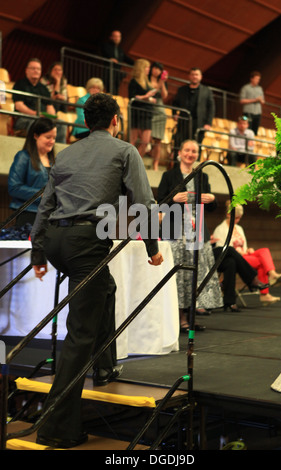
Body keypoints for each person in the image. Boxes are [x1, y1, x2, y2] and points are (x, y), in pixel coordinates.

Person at [30, 92, 163, 448]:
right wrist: (152, 248)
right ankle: (56, 428)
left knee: (105, 288)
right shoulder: (124, 150)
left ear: (85, 122)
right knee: (79, 336)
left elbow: (45, 205)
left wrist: (38, 255)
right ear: (115, 121)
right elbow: (143, 202)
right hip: (86, 243)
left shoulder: (66, 152)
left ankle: (105, 368)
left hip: (57, 241)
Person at [157, 139, 223, 332]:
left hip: (197, 232)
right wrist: (173, 198)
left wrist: (212, 199)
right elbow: (160, 203)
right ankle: (179, 319)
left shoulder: (202, 177)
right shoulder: (169, 175)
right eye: (187, 150)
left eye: (194, 151)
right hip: (176, 233)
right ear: (180, 152)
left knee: (195, 276)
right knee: (180, 276)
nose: (190, 154)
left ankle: (190, 317)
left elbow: (210, 207)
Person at [213, 201, 281, 306]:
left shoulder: (239, 228)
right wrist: (240, 252)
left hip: (245, 255)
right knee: (262, 262)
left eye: (239, 218)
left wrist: (248, 250)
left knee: (264, 251)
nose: (237, 220)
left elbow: (244, 245)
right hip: (237, 259)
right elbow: (222, 250)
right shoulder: (220, 229)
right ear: (228, 214)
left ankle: (272, 273)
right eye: (236, 217)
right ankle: (265, 293)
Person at [8, 117, 57, 228]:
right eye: (48, 137)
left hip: (51, 216)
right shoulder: (23, 157)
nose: (52, 141)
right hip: (29, 214)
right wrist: (42, 195)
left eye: (54, 138)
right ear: (35, 136)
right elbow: (14, 188)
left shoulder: (54, 161)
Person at [172, 67, 215, 153]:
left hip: (199, 124)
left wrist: (208, 123)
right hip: (183, 122)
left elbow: (211, 108)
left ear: (201, 76)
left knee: (196, 147)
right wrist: (174, 113)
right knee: (179, 144)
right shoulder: (182, 90)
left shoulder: (207, 91)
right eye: (192, 74)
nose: (194, 76)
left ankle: (196, 167)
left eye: (197, 75)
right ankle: (177, 166)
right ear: (189, 76)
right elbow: (175, 103)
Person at [12, 58, 56, 136]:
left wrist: (51, 116)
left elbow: (50, 107)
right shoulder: (20, 84)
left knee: (61, 124)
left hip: (42, 118)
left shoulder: (44, 88)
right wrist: (36, 114)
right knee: (35, 122)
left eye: (38, 69)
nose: (36, 71)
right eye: (33, 68)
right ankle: (31, 147)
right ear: (26, 70)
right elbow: (19, 106)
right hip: (24, 118)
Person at [128, 59, 157, 158]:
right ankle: (128, 160)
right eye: (147, 67)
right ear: (141, 68)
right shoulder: (134, 81)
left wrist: (151, 99)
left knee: (145, 141)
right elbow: (132, 97)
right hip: (137, 111)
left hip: (147, 112)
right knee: (133, 140)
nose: (148, 69)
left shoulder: (147, 82)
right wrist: (146, 96)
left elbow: (147, 96)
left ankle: (136, 160)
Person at [41, 61, 69, 143]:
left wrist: (60, 97)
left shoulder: (63, 81)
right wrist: (57, 82)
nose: (57, 72)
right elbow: (48, 97)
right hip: (46, 104)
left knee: (60, 102)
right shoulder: (44, 80)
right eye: (55, 70)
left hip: (58, 106)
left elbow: (65, 96)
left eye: (59, 70)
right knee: (55, 101)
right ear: (50, 71)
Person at [149, 62, 168, 170]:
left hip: (160, 109)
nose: (156, 70)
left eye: (159, 69)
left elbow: (164, 95)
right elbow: (151, 91)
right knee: (146, 137)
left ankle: (155, 164)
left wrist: (163, 81)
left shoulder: (162, 81)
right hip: (148, 107)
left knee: (158, 140)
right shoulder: (146, 79)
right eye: (155, 68)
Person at [101, 30, 134, 94]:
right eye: (115, 36)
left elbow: (126, 58)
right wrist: (110, 59)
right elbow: (104, 53)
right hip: (109, 71)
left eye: (119, 37)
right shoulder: (106, 46)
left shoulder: (120, 49)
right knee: (110, 88)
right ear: (111, 37)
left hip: (117, 72)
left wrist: (137, 63)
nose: (117, 38)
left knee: (116, 89)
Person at [239, 71, 265, 135]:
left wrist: (260, 100)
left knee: (255, 131)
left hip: (258, 113)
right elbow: (241, 100)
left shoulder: (260, 88)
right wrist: (255, 100)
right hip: (248, 112)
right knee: (247, 130)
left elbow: (263, 101)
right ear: (252, 79)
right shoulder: (245, 88)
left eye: (258, 79)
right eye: (256, 79)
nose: (258, 80)